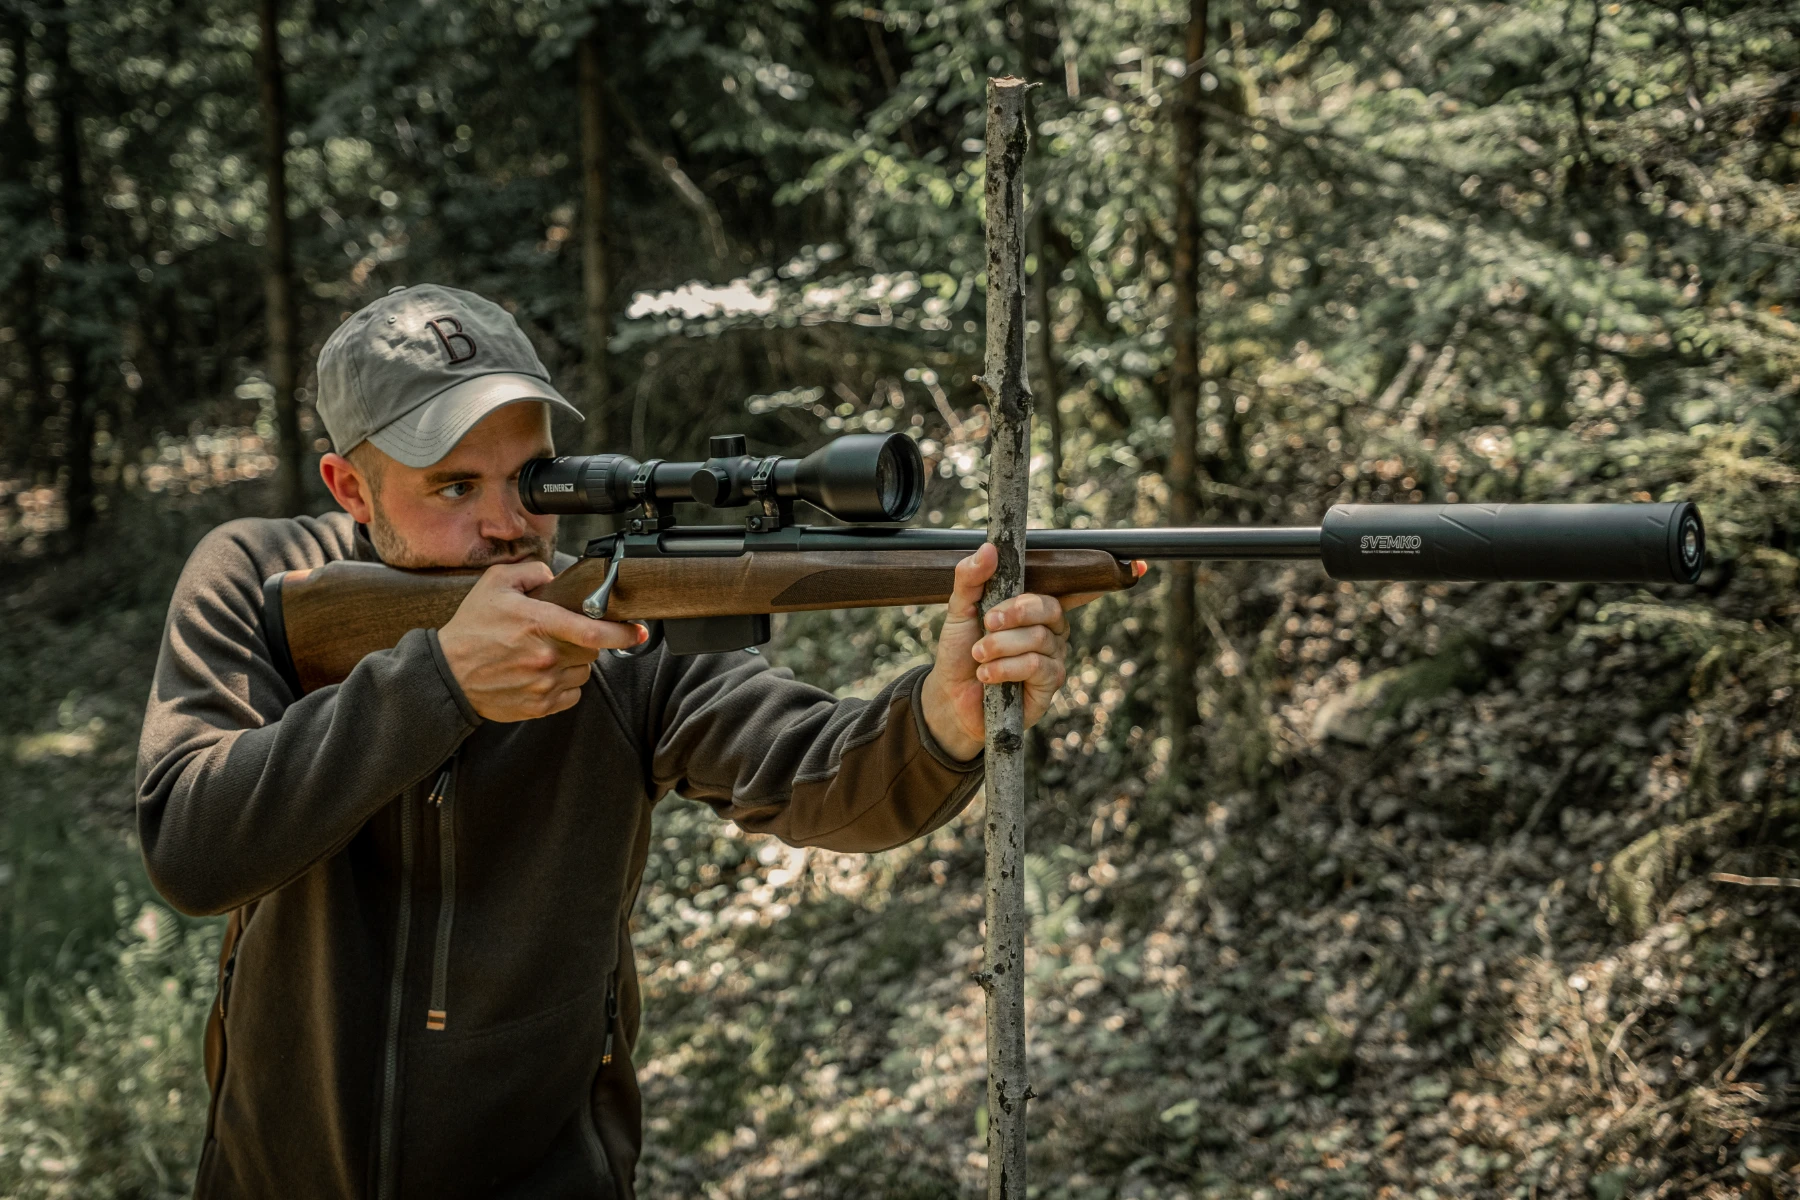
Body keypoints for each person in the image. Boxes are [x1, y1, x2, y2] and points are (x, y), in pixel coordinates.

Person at [136, 284, 1131, 1199]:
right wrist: (438, 685)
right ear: (350, 488)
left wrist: (941, 716)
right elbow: (190, 843)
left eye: (530, 477)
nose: (505, 524)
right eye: (452, 489)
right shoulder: (262, 581)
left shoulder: (615, 622)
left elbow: (812, 773)